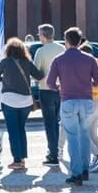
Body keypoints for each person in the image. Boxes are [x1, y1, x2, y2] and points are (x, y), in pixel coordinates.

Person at [46, 27, 98, 186]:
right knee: (85, 135)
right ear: (80, 42)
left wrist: (60, 87)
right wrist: (87, 83)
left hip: (68, 100)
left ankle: (76, 173)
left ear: (66, 41)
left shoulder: (58, 59)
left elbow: (50, 82)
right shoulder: (89, 59)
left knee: (72, 137)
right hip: (86, 101)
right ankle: (85, 170)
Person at [0, 38, 40, 171]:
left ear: (8, 50)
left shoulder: (5, 62)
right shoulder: (27, 62)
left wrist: (5, 79)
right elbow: (39, 75)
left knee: (13, 131)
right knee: (21, 128)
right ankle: (22, 158)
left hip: (9, 100)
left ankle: (17, 160)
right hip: (26, 101)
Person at [31, 25, 65, 166]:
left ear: (44, 36)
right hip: (61, 90)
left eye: (39, 34)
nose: (38, 36)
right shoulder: (62, 48)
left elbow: (36, 72)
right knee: (57, 121)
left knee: (50, 123)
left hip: (46, 89)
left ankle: (53, 154)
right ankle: (57, 150)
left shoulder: (41, 51)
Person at [80, 42, 98, 176]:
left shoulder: (87, 64)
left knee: (82, 131)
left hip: (89, 99)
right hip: (97, 99)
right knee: (93, 132)